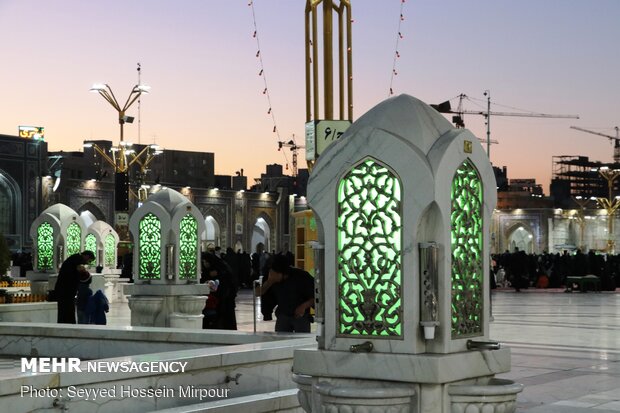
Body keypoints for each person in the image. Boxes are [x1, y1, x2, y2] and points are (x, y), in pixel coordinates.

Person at [256, 254, 314, 333]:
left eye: (275, 274)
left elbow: (316, 296)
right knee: (281, 340)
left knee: (301, 341)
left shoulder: (301, 276)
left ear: (282, 273)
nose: (272, 276)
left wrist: (303, 306)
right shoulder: (271, 277)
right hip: (283, 315)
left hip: (301, 316)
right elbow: (257, 293)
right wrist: (269, 282)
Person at [54, 250, 95, 324]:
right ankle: (67, 325)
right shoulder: (78, 260)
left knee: (64, 309)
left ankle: (64, 324)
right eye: (89, 260)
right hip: (66, 290)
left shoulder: (75, 258)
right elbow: (82, 272)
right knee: (67, 309)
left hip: (64, 289)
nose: (87, 263)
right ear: (87, 256)